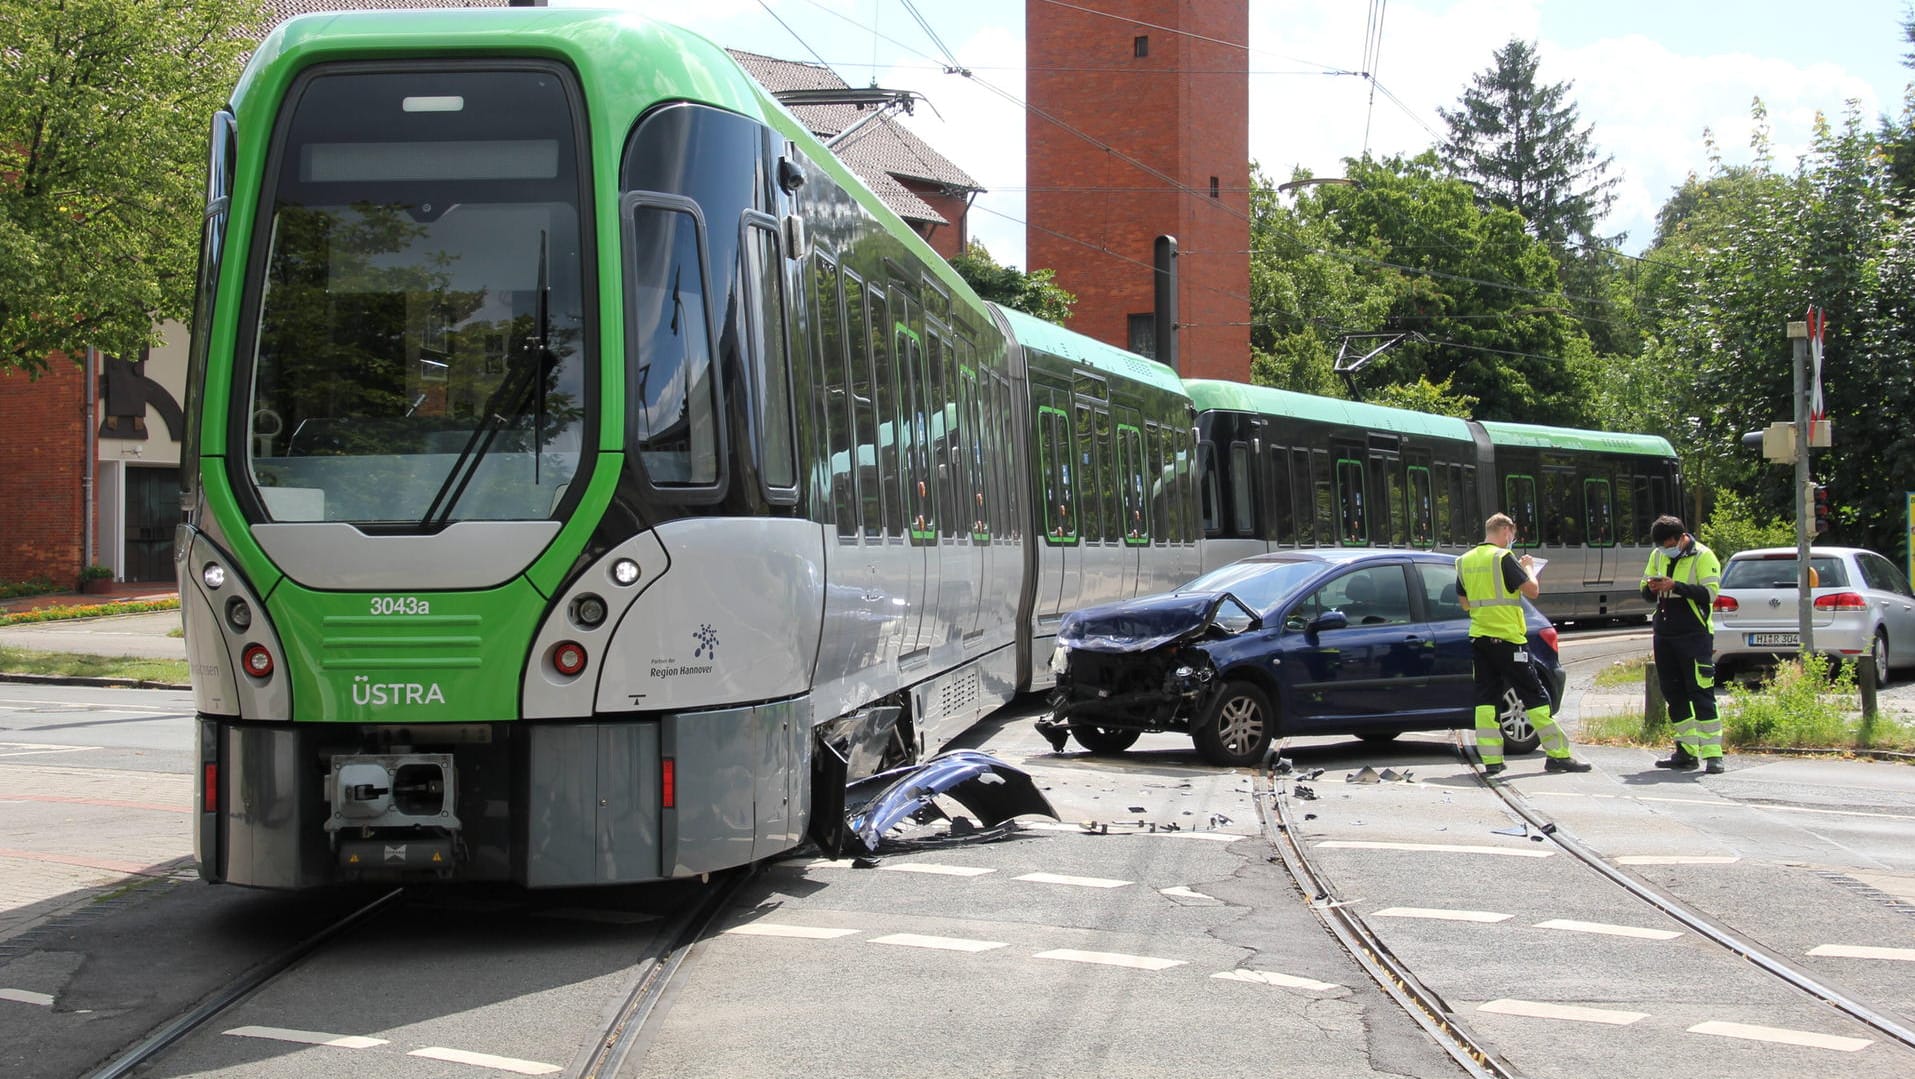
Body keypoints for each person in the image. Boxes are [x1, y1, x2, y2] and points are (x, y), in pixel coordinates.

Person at [1457, 513, 1591, 776]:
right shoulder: (1503, 558)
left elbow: (1464, 603)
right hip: (1509, 640)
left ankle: (1492, 761)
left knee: (1486, 700)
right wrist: (1528, 566)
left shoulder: (1464, 561)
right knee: (1535, 696)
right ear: (1506, 531)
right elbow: (1532, 590)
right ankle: (1558, 755)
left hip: (1481, 641)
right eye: (1512, 533)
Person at [1641, 515, 1725, 773]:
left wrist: (1676, 586)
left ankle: (1713, 754)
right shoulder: (1657, 555)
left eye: (1667, 544)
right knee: (1674, 694)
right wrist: (1652, 588)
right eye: (1660, 545)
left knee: (1701, 693)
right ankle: (1686, 751)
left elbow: (1710, 594)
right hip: (1665, 634)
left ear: (1681, 538)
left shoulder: (1703, 556)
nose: (1664, 549)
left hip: (1694, 635)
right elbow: (1643, 590)